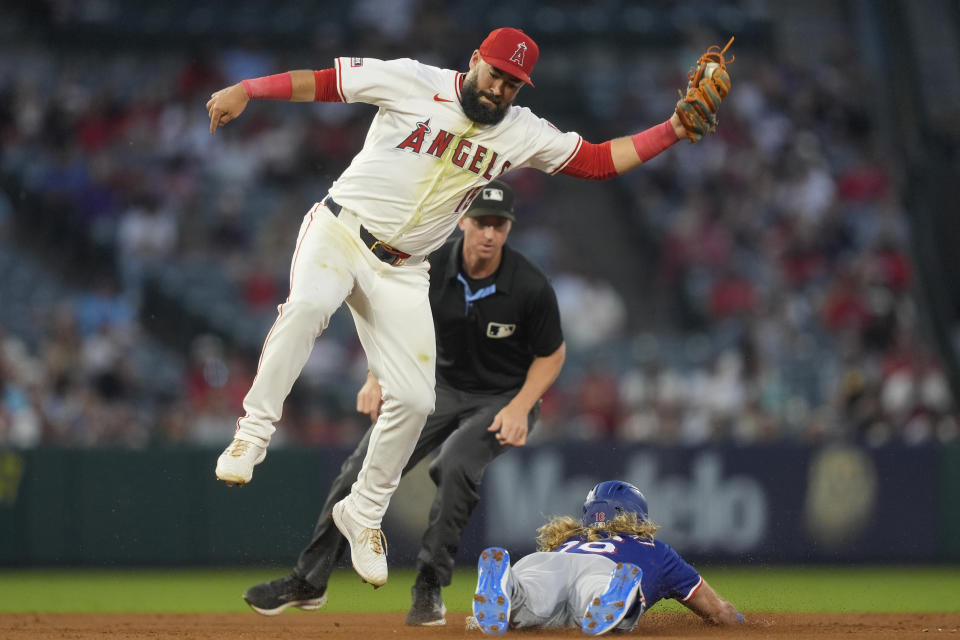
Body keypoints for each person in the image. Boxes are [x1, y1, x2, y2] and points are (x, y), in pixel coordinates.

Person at [206, 27, 732, 588]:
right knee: (309, 306)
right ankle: (253, 433)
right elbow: (327, 83)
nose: (501, 87)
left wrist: (674, 129)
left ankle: (362, 512)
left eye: (514, 82)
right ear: (476, 60)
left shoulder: (522, 131)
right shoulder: (413, 79)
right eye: (497, 73)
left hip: (404, 268)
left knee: (413, 398)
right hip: (341, 230)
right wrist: (250, 88)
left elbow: (599, 161)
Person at [242, 179, 566, 626]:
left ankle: (429, 586)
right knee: (360, 467)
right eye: (482, 222)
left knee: (454, 463)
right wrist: (377, 376)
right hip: (440, 388)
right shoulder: (430, 265)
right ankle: (309, 580)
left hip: (504, 396)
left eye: (500, 224)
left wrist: (521, 406)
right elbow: (390, 315)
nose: (489, 233)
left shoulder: (528, 284)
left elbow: (552, 354)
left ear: (509, 228)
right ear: (464, 220)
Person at [472, 480, 744, 636]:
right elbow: (720, 613)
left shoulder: (569, 540)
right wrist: (743, 624)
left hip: (545, 561)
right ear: (638, 515)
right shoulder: (654, 549)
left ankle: (509, 586)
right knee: (591, 596)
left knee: (532, 594)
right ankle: (611, 598)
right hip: (607, 569)